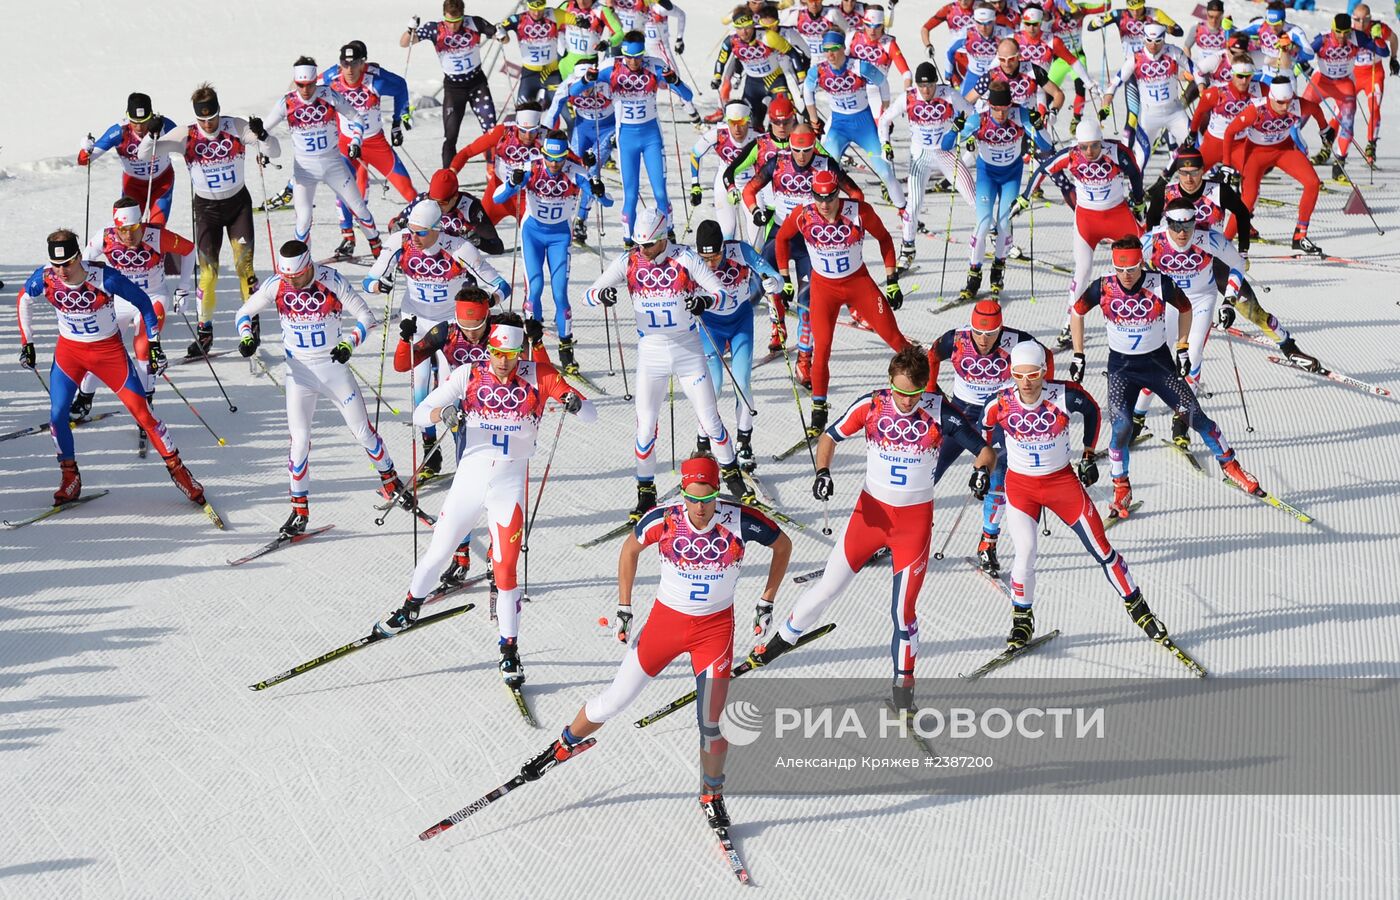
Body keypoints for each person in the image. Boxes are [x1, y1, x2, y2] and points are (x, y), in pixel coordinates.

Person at [518, 452, 791, 832]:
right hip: (666, 625)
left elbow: (783, 546)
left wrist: (767, 599)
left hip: (714, 633)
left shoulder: (740, 519)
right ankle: (561, 747)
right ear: (682, 493)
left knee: (711, 723)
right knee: (615, 699)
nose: (700, 509)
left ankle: (711, 795)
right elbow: (629, 550)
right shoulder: (663, 519)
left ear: (716, 492)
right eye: (692, 499)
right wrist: (624, 606)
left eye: (707, 499)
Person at [751, 346, 995, 710]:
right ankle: (776, 645)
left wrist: (981, 472)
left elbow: (985, 451)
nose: (905, 401)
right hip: (869, 518)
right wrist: (823, 472)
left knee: (903, 612)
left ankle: (903, 690)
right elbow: (829, 438)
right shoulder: (871, 405)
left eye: (913, 394)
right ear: (889, 383)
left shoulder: (939, 410)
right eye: (899, 391)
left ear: (925, 388)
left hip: (912, 526)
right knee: (827, 588)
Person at [373, 319, 596, 690]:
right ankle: (409, 608)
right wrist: (442, 414)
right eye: (496, 354)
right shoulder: (467, 374)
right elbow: (418, 412)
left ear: (519, 352)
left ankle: (509, 648)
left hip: (508, 488)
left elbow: (591, 415)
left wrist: (574, 402)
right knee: (439, 551)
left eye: (509, 355)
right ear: (488, 349)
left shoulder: (539, 375)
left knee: (506, 571)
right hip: (470, 480)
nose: (502, 362)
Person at [984, 341, 1177, 653]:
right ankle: (1022, 621)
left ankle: (1139, 609)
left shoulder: (1063, 395)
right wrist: (984, 466)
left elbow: (1090, 409)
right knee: (1025, 553)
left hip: (1062, 484)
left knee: (1102, 549)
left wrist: (1088, 453)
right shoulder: (999, 403)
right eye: (1019, 375)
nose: (1027, 382)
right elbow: (986, 431)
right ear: (1011, 375)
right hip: (1021, 487)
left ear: (1044, 372)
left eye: (1033, 374)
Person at [1068, 236, 1261, 518]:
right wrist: (1078, 354)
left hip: (1158, 365)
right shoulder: (1103, 287)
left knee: (1195, 417)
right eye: (1120, 269)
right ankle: (1122, 487)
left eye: (1132, 269)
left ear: (1141, 264)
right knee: (1121, 429)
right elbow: (1077, 311)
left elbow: (1185, 308)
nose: (1126, 276)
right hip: (1122, 369)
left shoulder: (1159, 282)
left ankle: (1231, 467)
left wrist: (1182, 347)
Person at [17, 230, 205, 508]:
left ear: (79, 257)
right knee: (57, 416)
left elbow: (143, 302)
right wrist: (27, 343)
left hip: (108, 354)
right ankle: (70, 478)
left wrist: (153, 344)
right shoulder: (45, 277)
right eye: (57, 265)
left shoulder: (104, 277)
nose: (62, 271)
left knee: (143, 414)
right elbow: (23, 298)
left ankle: (180, 472)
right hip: (70, 353)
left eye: (68, 263)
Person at [584, 209, 752, 516]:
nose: (644, 251)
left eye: (649, 245)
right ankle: (645, 490)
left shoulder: (686, 258)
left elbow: (723, 295)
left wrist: (705, 301)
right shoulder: (630, 260)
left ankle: (731, 475)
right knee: (645, 428)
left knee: (710, 420)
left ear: (663, 239)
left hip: (687, 350)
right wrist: (602, 295)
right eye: (639, 245)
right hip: (652, 354)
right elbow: (589, 293)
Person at [233, 241, 405, 535]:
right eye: (287, 278)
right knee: (299, 441)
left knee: (363, 432)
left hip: (333, 371)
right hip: (299, 375)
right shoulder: (277, 285)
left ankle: (391, 482)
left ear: (309, 266)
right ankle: (299, 511)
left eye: (297, 277)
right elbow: (243, 313)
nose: (292, 283)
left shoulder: (332, 280)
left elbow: (366, 317)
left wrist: (348, 344)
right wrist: (247, 337)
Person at [364, 200, 510, 476]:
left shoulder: (459, 249)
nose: (414, 238)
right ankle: (431, 453)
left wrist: (488, 301)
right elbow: (369, 280)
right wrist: (378, 285)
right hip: (416, 324)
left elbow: (501, 285)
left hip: (450, 329)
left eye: (421, 232)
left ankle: (465, 456)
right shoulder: (400, 242)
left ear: (436, 229)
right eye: (411, 230)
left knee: (452, 395)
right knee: (421, 394)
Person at [140, 84, 275, 357]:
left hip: (238, 206)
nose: (208, 124)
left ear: (218, 111)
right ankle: (205, 332)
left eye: (212, 117)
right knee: (209, 275)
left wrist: (262, 134)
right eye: (203, 119)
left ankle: (251, 320)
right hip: (207, 210)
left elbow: (274, 151)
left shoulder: (235, 126)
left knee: (243, 267)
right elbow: (145, 154)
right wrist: (152, 134)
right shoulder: (185, 134)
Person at [773, 169, 908, 437]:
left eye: (830, 198)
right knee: (821, 349)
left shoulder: (859, 211)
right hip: (824, 289)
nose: (824, 205)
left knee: (895, 340)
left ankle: (926, 389)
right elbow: (781, 239)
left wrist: (892, 279)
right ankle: (818, 409)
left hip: (858, 284)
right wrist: (785, 277)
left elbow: (885, 238)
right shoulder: (803, 214)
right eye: (819, 198)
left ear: (838, 194)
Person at [928, 300, 1049, 575]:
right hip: (963, 413)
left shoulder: (1016, 340)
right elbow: (932, 355)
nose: (984, 339)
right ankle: (897, 530)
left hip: (1001, 414)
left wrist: (1037, 395)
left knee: (999, 475)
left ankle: (987, 542)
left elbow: (1046, 357)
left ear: (1000, 328)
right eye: (979, 333)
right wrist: (932, 391)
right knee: (930, 468)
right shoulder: (956, 339)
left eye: (991, 333)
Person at [742, 124, 862, 367]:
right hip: (779, 234)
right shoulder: (778, 162)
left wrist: (840, 222)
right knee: (755, 285)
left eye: (807, 150)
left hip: (811, 240)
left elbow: (856, 195)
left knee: (807, 303)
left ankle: (804, 360)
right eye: (797, 150)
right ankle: (739, 332)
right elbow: (749, 190)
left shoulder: (825, 165)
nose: (801, 156)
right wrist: (755, 212)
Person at [70, 198, 196, 431]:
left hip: (153, 298)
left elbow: (189, 250)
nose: (129, 236)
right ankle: (85, 397)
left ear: (141, 223)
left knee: (142, 348)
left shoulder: (156, 236)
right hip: (121, 300)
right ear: (115, 226)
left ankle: (145, 402)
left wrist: (184, 287)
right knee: (101, 347)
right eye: (123, 230)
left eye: (134, 229)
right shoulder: (105, 237)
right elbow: (85, 262)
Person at [1021, 117, 1144, 348]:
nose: (1089, 151)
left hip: (1118, 216)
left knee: (1140, 262)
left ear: (1101, 141)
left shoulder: (1116, 151)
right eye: (1084, 147)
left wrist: (1138, 202)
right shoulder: (1070, 154)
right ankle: (1069, 325)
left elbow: (1136, 174)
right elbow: (1042, 169)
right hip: (1087, 220)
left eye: (1094, 146)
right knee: (1082, 272)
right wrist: (1024, 196)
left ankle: (1149, 314)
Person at [493, 131, 609, 373]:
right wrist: (514, 182)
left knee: (560, 295)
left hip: (559, 237)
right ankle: (532, 341)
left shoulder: (574, 171)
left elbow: (606, 202)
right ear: (543, 153)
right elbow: (498, 198)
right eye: (550, 158)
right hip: (532, 234)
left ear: (566, 155)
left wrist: (598, 190)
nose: (555, 164)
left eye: (560, 159)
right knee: (534, 289)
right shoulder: (531, 167)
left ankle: (566, 349)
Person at [573, 32, 700, 245]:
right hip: (626, 139)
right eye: (628, 57)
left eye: (638, 56)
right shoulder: (610, 66)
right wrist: (587, 79)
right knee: (630, 194)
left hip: (651, 138)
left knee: (660, 191)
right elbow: (575, 92)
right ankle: (628, 242)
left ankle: (668, 234)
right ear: (622, 53)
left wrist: (674, 81)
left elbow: (688, 96)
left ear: (643, 53)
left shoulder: (654, 65)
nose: (633, 62)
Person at [260, 57, 381, 255]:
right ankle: (302, 262)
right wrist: (263, 144)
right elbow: (263, 130)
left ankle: (378, 251)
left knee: (359, 208)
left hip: (333, 164)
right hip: (304, 171)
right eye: (301, 85)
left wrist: (356, 141)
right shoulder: (287, 102)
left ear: (316, 80)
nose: (306, 90)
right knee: (304, 219)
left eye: (310, 84)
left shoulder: (329, 94)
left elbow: (356, 117)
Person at [946, 84, 1051, 302]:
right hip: (987, 177)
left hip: (1011, 176)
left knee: (1004, 224)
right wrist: (955, 129)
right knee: (983, 223)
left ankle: (998, 268)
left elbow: (1046, 146)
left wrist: (1039, 126)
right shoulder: (980, 119)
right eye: (997, 109)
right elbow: (946, 145)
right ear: (990, 105)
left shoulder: (1020, 115)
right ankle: (974, 274)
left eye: (1005, 109)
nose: (1001, 114)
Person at [694, 219, 784, 469]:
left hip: (740, 323)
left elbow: (772, 274)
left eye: (715, 257)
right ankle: (704, 440)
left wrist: (773, 283)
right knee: (713, 385)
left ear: (723, 247)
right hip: (711, 326)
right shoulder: (692, 261)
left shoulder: (739, 251)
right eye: (705, 259)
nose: (710, 265)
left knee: (742, 382)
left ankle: (744, 443)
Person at [322, 41, 417, 258]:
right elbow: (304, 88)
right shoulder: (332, 78)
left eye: (354, 64)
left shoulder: (376, 81)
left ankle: (423, 230)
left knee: (408, 190)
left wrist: (396, 122)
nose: (349, 70)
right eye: (345, 64)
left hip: (375, 143)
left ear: (363, 63)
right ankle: (348, 238)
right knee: (344, 190)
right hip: (346, 144)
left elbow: (401, 86)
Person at [879, 62, 975, 268]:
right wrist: (885, 144)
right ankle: (907, 248)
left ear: (936, 83)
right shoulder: (908, 97)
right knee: (913, 204)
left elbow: (972, 112)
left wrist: (963, 127)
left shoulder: (948, 94)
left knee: (972, 196)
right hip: (920, 155)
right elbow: (884, 120)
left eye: (930, 85)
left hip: (945, 153)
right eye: (922, 86)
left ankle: (994, 235)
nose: (926, 90)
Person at [803, 29, 906, 209]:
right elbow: (807, 90)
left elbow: (883, 83)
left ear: (843, 48)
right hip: (839, 126)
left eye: (834, 49)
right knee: (824, 170)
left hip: (864, 125)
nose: (830, 54)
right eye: (826, 49)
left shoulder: (860, 67)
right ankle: (821, 210)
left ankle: (903, 209)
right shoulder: (818, 71)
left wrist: (886, 111)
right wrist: (813, 119)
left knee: (885, 172)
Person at [1221, 79, 1327, 254]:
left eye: (1289, 101)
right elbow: (1230, 132)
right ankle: (1224, 244)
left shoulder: (1297, 105)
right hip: (1256, 154)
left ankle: (1300, 235)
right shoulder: (1257, 109)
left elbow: (1316, 109)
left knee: (1313, 183)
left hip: (1283, 149)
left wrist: (1325, 130)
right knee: (1248, 199)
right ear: (1271, 98)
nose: (1286, 107)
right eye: (1280, 102)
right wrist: (1226, 165)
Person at [402, 0, 499, 167]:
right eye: (449, 21)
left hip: (477, 84)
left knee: (491, 130)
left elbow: (500, 37)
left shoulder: (474, 22)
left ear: (463, 16)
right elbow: (405, 43)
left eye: (457, 21)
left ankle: (494, 169)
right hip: (454, 89)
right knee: (450, 136)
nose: (453, 26)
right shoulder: (435, 28)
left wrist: (501, 34)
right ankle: (447, 177)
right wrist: (410, 29)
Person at [1304, 13, 1391, 182]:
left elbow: (1383, 52)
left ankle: (1339, 165)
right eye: (1339, 32)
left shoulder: (1356, 36)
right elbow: (1303, 53)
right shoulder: (1323, 38)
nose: (1343, 36)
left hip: (1344, 85)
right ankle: (1282, 157)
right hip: (1320, 82)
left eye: (1346, 32)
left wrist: (1376, 38)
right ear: (1332, 28)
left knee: (1348, 125)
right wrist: (1302, 65)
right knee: (1298, 118)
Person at [1100, 22, 1195, 171]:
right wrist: (1108, 96)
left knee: (1197, 144)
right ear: (1144, 38)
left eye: (1158, 41)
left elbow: (1194, 69)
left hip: (1173, 110)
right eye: (1149, 41)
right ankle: (1133, 186)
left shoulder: (1172, 51)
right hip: (1147, 107)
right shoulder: (1135, 56)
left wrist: (1201, 81)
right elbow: (1116, 80)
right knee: (1140, 153)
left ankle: (1201, 176)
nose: (1153, 45)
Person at [78, 92, 178, 225]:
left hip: (162, 183)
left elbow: (188, 145)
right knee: (129, 228)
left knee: (156, 230)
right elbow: (84, 161)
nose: (139, 127)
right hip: (133, 185)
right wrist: (86, 149)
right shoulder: (119, 131)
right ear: (127, 116)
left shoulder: (164, 125)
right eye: (135, 122)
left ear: (152, 115)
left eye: (144, 122)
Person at [449, 103, 546, 225]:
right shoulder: (503, 132)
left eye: (533, 131)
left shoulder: (547, 137)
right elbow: (468, 151)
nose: (528, 136)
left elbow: (570, 160)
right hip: (497, 191)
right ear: (516, 125)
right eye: (523, 130)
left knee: (535, 238)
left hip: (527, 196)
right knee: (478, 232)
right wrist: (452, 172)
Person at [713, 7, 805, 129]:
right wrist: (717, 77)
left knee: (783, 118)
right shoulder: (731, 41)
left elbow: (792, 53)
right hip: (753, 84)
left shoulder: (768, 37)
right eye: (739, 28)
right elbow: (721, 60)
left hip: (775, 80)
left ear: (753, 25)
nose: (744, 32)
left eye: (747, 27)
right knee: (750, 123)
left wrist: (801, 77)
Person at [385, 168, 504, 255]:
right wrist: (396, 227)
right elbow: (394, 223)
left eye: (442, 203)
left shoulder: (470, 207)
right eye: (432, 199)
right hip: (423, 266)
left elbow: (497, 247)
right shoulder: (423, 201)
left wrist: (479, 241)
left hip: (456, 270)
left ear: (455, 197)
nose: (435, 205)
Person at [689, 101, 758, 241]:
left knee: (757, 238)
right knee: (727, 235)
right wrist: (695, 185)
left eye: (742, 122)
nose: (737, 128)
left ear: (748, 121)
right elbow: (695, 154)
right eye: (732, 123)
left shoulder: (758, 137)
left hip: (752, 187)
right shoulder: (718, 135)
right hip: (724, 186)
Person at [1345, 5, 1398, 165]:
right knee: (1342, 110)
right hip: (1354, 75)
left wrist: (1394, 58)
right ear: (1353, 18)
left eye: (1365, 19)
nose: (1361, 23)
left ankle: (1371, 145)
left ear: (1370, 17)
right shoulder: (1348, 30)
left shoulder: (1378, 28)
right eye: (1357, 19)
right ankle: (1328, 147)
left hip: (1374, 74)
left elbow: (1394, 38)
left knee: (1374, 108)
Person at [1186, 60, 1260, 172]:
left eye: (1248, 76)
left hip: (1238, 144)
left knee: (1251, 172)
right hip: (1214, 143)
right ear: (1233, 75)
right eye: (1240, 76)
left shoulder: (1258, 90)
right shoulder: (1217, 92)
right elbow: (1199, 113)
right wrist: (1192, 133)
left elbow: (1277, 98)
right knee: (1192, 172)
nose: (1244, 81)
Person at [496, 0, 568, 106]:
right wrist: (501, 35)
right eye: (533, 9)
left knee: (562, 110)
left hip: (551, 71)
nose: (536, 13)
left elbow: (575, 20)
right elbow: (499, 32)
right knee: (522, 111)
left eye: (540, 9)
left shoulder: (553, 14)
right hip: (530, 74)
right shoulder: (517, 19)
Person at [848, 6, 912, 115]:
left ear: (883, 25)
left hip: (876, 93)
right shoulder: (853, 36)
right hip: (853, 90)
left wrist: (907, 94)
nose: (872, 31)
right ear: (863, 23)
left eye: (877, 26)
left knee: (879, 129)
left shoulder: (888, 44)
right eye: (868, 25)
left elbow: (906, 73)